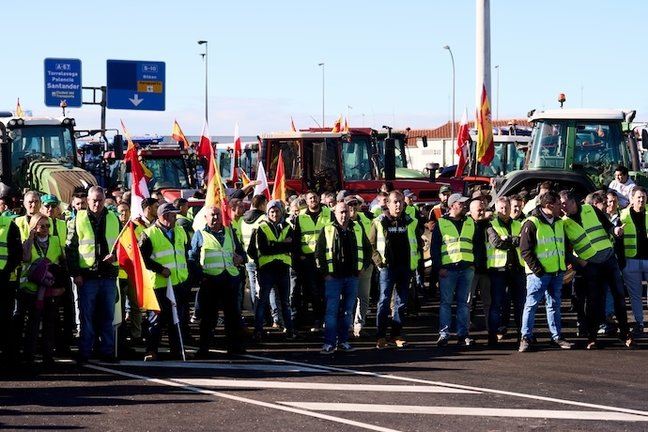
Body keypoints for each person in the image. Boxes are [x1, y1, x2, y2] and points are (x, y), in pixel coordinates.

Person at [560, 190, 634, 349]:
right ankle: (592, 336)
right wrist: (578, 261)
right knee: (593, 301)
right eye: (561, 205)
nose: (562, 207)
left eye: (565, 204)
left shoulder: (590, 209)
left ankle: (625, 333)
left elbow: (608, 226)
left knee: (619, 296)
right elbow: (564, 249)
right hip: (590, 265)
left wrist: (616, 231)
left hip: (608, 259)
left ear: (573, 202)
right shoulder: (564, 223)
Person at [66, 186, 121, 364]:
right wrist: (76, 274)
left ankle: (106, 351)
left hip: (108, 276)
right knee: (87, 317)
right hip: (87, 276)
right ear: (87, 200)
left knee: (107, 316)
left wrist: (116, 256)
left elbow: (123, 245)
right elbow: (71, 249)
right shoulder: (77, 219)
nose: (97, 204)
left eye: (100, 200)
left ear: (105, 200)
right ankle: (85, 351)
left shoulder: (114, 218)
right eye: (94, 200)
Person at [518, 191, 573, 352]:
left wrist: (563, 266)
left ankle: (556, 337)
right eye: (558, 204)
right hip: (539, 275)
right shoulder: (531, 223)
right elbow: (525, 250)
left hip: (556, 272)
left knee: (554, 305)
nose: (561, 207)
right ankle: (525, 337)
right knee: (531, 305)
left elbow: (563, 245)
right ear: (549, 206)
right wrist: (538, 271)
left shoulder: (559, 222)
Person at [189, 206, 246, 357]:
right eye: (212, 215)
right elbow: (192, 258)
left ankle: (234, 348)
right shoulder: (200, 234)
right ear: (206, 218)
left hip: (230, 280)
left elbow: (241, 253)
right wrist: (200, 276)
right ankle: (204, 348)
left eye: (218, 215)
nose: (216, 218)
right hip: (211, 281)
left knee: (233, 316)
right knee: (209, 317)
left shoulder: (230, 232)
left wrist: (241, 258)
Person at [316, 201, 371, 354]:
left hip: (352, 277)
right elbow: (319, 253)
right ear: (334, 213)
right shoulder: (327, 230)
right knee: (331, 311)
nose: (344, 215)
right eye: (340, 212)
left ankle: (344, 341)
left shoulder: (357, 228)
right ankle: (329, 343)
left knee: (347, 311)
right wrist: (325, 273)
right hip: (333, 278)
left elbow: (367, 249)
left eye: (346, 212)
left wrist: (362, 268)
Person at [139, 203, 190, 361]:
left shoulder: (180, 231)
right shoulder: (148, 234)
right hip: (159, 285)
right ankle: (151, 350)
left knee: (177, 318)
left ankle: (178, 350)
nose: (176, 218)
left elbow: (184, 253)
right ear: (164, 216)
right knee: (156, 320)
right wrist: (160, 269)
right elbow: (143, 259)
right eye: (174, 215)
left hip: (178, 282)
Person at [370, 190, 420, 349]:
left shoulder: (410, 221)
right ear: (388, 204)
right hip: (387, 268)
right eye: (395, 202)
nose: (398, 205)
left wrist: (415, 263)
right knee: (383, 302)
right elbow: (370, 245)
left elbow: (417, 243)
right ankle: (380, 336)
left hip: (405, 267)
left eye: (400, 201)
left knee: (400, 303)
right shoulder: (379, 221)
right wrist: (379, 262)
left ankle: (396, 335)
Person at [15, 214, 67, 365]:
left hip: (50, 289)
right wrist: (30, 237)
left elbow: (63, 265)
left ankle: (48, 355)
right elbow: (25, 258)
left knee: (50, 323)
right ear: (34, 227)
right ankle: (29, 354)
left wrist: (62, 287)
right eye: (41, 226)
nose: (45, 229)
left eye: (48, 226)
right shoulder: (29, 242)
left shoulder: (56, 241)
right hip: (32, 290)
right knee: (33, 323)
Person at [432, 193, 481, 347]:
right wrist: (439, 267)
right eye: (461, 203)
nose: (464, 205)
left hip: (466, 268)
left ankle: (462, 334)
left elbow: (477, 245)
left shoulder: (470, 222)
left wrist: (474, 264)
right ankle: (444, 334)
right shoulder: (441, 223)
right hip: (448, 269)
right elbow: (435, 248)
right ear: (453, 205)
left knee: (464, 303)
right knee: (446, 303)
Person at [252, 200, 297, 342]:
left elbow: (293, 246)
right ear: (267, 213)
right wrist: (283, 244)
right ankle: (258, 330)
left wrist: (274, 245)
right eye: (272, 212)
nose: (275, 214)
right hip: (266, 270)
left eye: (277, 211)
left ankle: (290, 330)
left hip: (283, 269)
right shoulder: (262, 228)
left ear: (281, 212)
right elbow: (263, 249)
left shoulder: (287, 227)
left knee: (285, 302)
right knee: (262, 301)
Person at [486, 196, 526, 346]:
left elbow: (523, 242)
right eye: (501, 208)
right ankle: (493, 336)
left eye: (506, 208)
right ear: (496, 209)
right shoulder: (491, 225)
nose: (504, 211)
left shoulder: (518, 223)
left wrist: (508, 238)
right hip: (499, 270)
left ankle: (522, 334)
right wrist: (514, 240)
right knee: (496, 304)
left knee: (520, 305)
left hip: (517, 268)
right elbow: (496, 243)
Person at [293, 190, 332, 331]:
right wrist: (301, 256)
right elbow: (296, 239)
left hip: (326, 257)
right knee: (313, 291)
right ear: (306, 201)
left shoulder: (329, 214)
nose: (313, 200)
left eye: (315, 197)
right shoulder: (301, 217)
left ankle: (328, 319)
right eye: (310, 198)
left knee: (327, 290)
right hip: (308, 259)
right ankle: (317, 319)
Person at [619, 186, 648, 338]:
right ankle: (639, 323)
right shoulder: (622, 216)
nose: (641, 200)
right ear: (631, 199)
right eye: (638, 197)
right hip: (631, 261)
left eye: (643, 197)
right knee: (635, 296)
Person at [347, 195, 375, 338]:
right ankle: (348, 325)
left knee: (363, 297)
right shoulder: (339, 223)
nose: (352, 207)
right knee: (348, 297)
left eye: (355, 204)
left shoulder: (366, 219)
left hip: (364, 265)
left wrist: (368, 262)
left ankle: (359, 325)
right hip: (347, 268)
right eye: (349, 205)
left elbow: (369, 243)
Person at [0, 214, 24, 365]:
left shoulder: (10, 225)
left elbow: (16, 254)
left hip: (4, 283)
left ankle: (8, 356)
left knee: (5, 320)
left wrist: (4, 273)